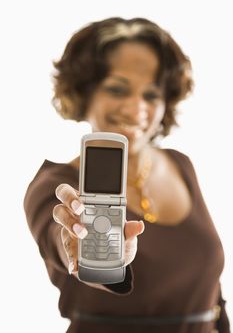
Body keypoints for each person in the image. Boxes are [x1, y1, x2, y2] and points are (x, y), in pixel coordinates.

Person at [24, 17, 230, 333]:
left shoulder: (181, 164)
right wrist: (78, 248)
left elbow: (211, 292)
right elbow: (59, 240)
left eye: (151, 95)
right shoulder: (55, 185)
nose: (136, 109)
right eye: (117, 89)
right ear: (85, 92)